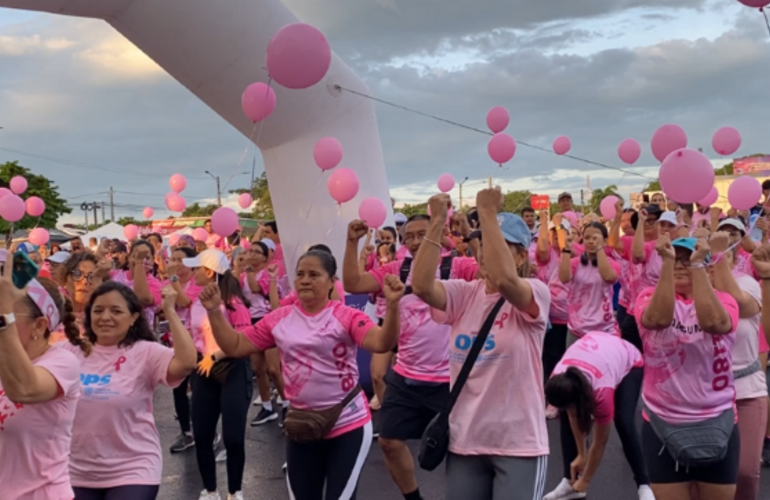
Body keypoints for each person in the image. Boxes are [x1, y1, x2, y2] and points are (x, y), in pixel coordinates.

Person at [201, 249, 405, 500]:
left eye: (314, 274)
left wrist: (393, 305)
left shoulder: (346, 315)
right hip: (302, 425)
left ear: (331, 281)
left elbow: (382, 342)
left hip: (347, 422)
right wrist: (213, 311)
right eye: (300, 274)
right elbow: (235, 346)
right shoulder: (279, 318)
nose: (305, 280)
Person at [411, 189, 550, 500]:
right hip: (465, 441)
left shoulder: (536, 292)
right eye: (483, 244)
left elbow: (504, 280)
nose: (486, 252)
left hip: (519, 444)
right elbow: (420, 285)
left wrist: (486, 212)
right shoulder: (464, 293)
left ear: (520, 255)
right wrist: (435, 223)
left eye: (498, 244)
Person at [343, 211, 477, 500]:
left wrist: (471, 234)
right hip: (406, 376)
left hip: (450, 380)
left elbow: (493, 275)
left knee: (462, 450)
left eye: (422, 234)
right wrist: (351, 242)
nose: (416, 241)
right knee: (389, 442)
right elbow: (353, 284)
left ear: (439, 235)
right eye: (410, 237)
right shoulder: (396, 269)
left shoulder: (458, 265)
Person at [64, 282, 197, 500]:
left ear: (134, 317)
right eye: (98, 311)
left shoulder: (145, 352)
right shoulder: (70, 351)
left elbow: (186, 362)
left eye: (116, 311)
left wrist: (170, 311)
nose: (105, 317)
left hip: (133, 469)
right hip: (75, 472)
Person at [635, 236, 739, 500]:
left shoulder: (725, 300)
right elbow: (658, 319)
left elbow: (714, 323)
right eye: (674, 258)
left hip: (718, 420)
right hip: (662, 422)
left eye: (687, 258)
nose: (681, 264)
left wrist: (697, 267)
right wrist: (668, 263)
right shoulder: (647, 296)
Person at [0, 257, 87, 500]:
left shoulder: (62, 363)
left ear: (39, 326)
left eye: (7, 313)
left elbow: (23, 389)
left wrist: (3, 316)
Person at [543, 333, 653, 500]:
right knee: (566, 417)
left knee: (623, 421)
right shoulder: (558, 379)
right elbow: (573, 415)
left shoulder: (601, 391)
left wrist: (587, 480)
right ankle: (569, 481)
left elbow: (600, 442)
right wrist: (581, 454)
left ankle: (644, 485)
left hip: (629, 360)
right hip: (597, 351)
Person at [181, 249, 254, 500]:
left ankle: (235, 492)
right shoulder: (196, 300)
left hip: (232, 368)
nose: (192, 274)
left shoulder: (233, 302)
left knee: (233, 437)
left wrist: (215, 357)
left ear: (209, 272)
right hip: (203, 370)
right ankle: (210, 491)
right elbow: (194, 337)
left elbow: (245, 339)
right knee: (202, 435)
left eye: (196, 269)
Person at [711, 237, 767, 500]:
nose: (714, 261)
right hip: (706, 397)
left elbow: (738, 304)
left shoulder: (747, 285)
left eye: (722, 257)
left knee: (745, 472)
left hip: (747, 391)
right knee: (710, 472)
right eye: (708, 257)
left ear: (734, 262)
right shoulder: (689, 291)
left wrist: (718, 255)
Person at [241, 241, 289, 426]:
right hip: (251, 322)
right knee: (258, 369)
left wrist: (249, 272)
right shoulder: (244, 275)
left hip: (268, 319)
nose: (251, 254)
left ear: (265, 256)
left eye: (256, 252)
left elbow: (255, 289)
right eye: (249, 251)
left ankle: (287, 404)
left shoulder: (268, 273)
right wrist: (238, 268)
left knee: (273, 369)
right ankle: (267, 407)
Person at [164, 246, 204, 454]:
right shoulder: (170, 282)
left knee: (199, 389)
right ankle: (186, 432)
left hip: (196, 343)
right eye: (173, 259)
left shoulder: (197, 283)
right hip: (175, 342)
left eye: (181, 259)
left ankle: (205, 431)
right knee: (178, 387)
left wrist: (172, 280)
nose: (176, 263)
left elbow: (183, 301)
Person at [559, 221, 620, 344]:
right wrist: (566, 250)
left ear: (605, 240)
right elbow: (564, 278)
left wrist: (599, 249)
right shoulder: (576, 263)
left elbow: (608, 277)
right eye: (587, 238)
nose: (591, 241)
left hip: (604, 329)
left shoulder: (612, 264)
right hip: (577, 329)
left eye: (595, 238)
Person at [110, 240, 163, 328]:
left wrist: (139, 263)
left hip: (140, 334)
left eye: (146, 257)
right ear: (129, 257)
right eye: (136, 256)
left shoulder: (155, 283)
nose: (142, 260)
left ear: (153, 261)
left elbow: (142, 298)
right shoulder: (114, 275)